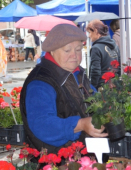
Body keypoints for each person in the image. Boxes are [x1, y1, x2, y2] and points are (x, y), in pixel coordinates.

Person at [20, 24, 108, 155]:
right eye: (67, 50)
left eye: (78, 49)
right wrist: (81, 124)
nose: (74, 55)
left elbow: (94, 100)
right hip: (55, 163)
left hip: (84, 156)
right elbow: (43, 125)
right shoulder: (40, 82)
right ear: (52, 51)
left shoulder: (78, 73)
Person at [87, 19, 120, 89]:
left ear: (95, 31)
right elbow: (119, 67)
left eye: (90, 32)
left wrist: (92, 88)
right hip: (115, 85)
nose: (89, 36)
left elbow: (95, 72)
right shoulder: (114, 45)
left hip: (102, 88)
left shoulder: (96, 48)